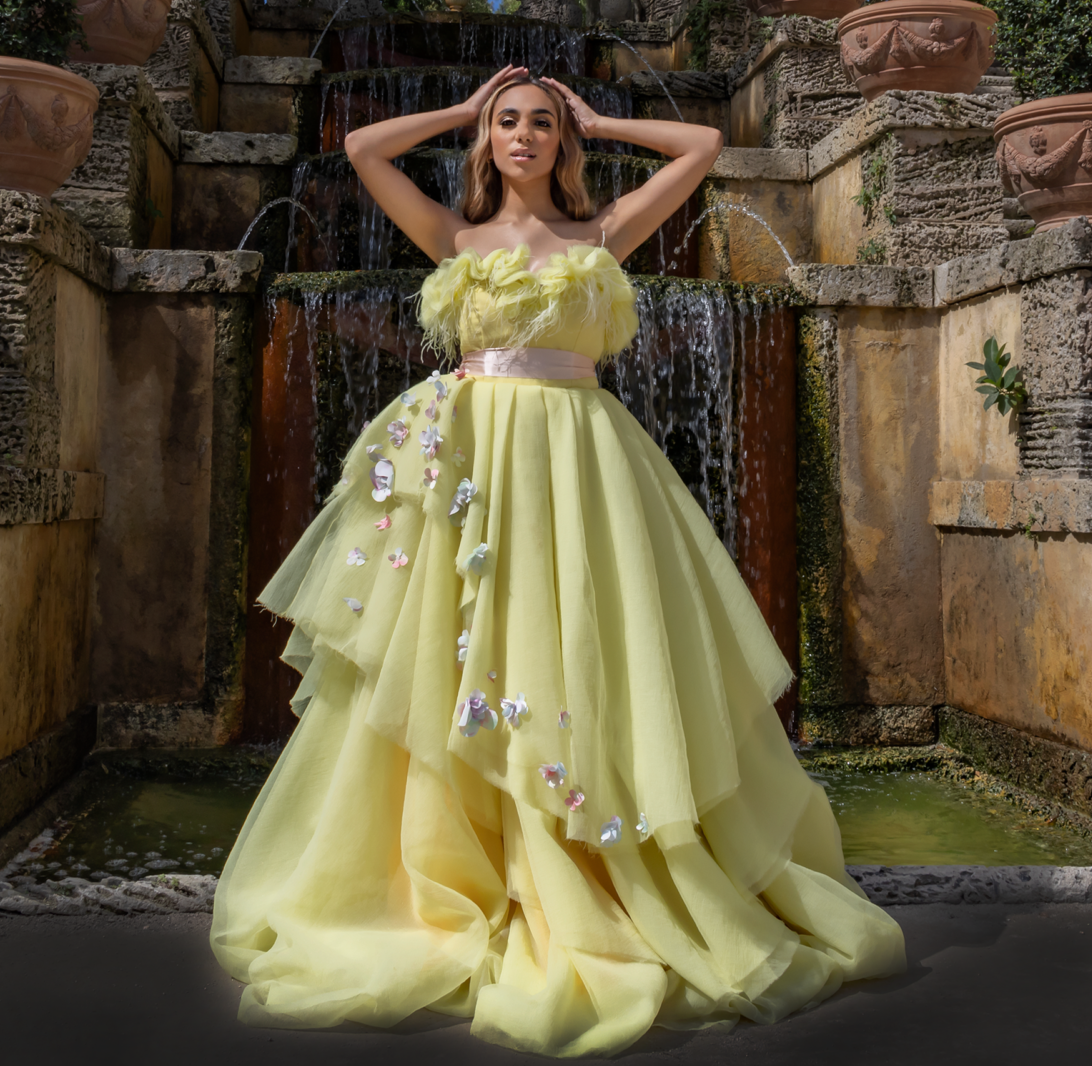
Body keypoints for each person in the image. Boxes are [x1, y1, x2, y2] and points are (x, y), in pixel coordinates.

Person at [210, 65, 905, 1055]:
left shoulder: (600, 233)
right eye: (509, 124)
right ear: (487, 143)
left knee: (576, 645)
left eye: (540, 124)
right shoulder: (454, 237)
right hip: (470, 467)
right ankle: (456, 867)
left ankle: (586, 870)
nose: (523, 137)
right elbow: (367, 152)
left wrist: (602, 117)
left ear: (563, 143)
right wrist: (460, 112)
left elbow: (701, 150)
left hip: (581, 466)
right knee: (455, 659)